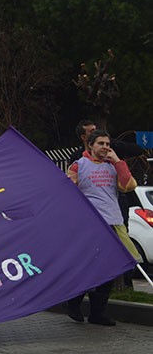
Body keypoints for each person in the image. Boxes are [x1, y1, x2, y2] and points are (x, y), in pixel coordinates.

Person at [65, 129, 139, 326]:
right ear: (90, 145)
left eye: (108, 144)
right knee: (87, 266)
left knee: (111, 268)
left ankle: (98, 313)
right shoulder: (78, 166)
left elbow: (129, 185)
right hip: (90, 224)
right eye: (101, 144)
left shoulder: (113, 166)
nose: (106, 147)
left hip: (113, 223)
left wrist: (117, 161)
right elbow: (68, 192)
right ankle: (73, 303)